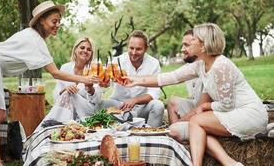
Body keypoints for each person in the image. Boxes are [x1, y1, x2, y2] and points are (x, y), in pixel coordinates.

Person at [0, 1, 99, 166]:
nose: (57, 25)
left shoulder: (31, 35)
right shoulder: (35, 39)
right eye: (54, 21)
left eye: (59, 22)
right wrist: (84, 79)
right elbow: (54, 72)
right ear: (41, 20)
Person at [124, 23, 268, 166]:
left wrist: (205, 106)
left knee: (197, 121)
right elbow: (169, 77)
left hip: (249, 114)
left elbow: (227, 104)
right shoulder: (200, 65)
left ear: (204, 45)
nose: (189, 42)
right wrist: (135, 80)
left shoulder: (221, 66)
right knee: (198, 126)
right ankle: (230, 163)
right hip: (232, 112)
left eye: (193, 40)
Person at [102, 30, 164, 127]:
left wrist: (135, 100)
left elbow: (154, 93)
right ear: (127, 47)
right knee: (101, 104)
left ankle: (151, 136)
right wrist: (104, 82)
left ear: (146, 48)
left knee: (158, 105)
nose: (134, 53)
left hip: (141, 107)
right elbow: (104, 84)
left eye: (138, 49)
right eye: (131, 48)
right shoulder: (116, 61)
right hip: (119, 106)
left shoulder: (153, 63)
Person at [39, 37, 104, 126]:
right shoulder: (65, 67)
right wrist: (65, 89)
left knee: (71, 94)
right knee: (67, 93)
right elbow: (56, 95)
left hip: (87, 110)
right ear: (75, 50)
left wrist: (90, 88)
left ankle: (53, 124)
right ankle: (63, 123)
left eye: (89, 49)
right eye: (82, 48)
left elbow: (97, 99)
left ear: (91, 54)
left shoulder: (95, 69)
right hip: (67, 107)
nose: (85, 51)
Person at [166, 30, 203, 142]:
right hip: (198, 109)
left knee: (173, 129)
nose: (182, 49)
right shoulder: (190, 66)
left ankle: (176, 132)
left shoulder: (210, 68)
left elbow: (202, 108)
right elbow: (167, 78)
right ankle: (178, 143)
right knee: (172, 101)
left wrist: (180, 121)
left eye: (186, 45)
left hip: (209, 116)